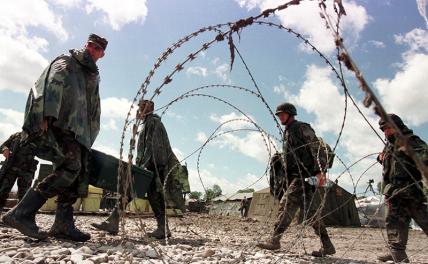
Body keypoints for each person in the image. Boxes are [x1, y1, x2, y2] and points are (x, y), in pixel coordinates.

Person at [2, 33, 107, 241]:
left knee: (76, 173)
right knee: (70, 167)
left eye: (97, 48)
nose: (91, 50)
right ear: (86, 44)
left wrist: (91, 132)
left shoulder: (92, 74)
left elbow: (94, 106)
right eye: (90, 45)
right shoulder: (68, 61)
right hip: (62, 122)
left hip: (79, 129)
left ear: (102, 54)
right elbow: (53, 81)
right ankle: (21, 213)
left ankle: (63, 224)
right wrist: (47, 113)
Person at [92, 100, 182, 239]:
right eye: (139, 107)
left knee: (152, 196)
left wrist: (146, 167)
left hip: (154, 167)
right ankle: (113, 221)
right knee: (131, 190)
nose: (139, 110)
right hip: (149, 166)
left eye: (142, 107)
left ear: (150, 108)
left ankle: (162, 228)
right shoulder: (148, 123)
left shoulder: (153, 122)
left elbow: (155, 147)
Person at [256, 102, 335, 257]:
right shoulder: (288, 132)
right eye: (278, 115)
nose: (280, 117)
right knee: (311, 214)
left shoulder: (301, 128)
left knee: (286, 205)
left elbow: (316, 148)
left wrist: (321, 171)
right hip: (297, 176)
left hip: (304, 176)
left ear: (291, 114)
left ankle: (275, 240)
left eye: (283, 114)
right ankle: (328, 245)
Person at [377, 114, 428, 263]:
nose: (387, 132)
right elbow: (393, 167)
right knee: (393, 222)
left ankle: (397, 252)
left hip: (410, 192)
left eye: (389, 128)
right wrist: (382, 158)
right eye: (384, 129)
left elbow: (425, 156)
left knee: (424, 219)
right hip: (394, 192)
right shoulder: (389, 146)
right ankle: (397, 253)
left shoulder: (410, 141)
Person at [0, 132, 38, 213]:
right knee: (2, 191)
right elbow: (3, 146)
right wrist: (5, 149)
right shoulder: (16, 135)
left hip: (26, 171)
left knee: (24, 195)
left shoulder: (39, 138)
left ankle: (18, 216)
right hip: (10, 168)